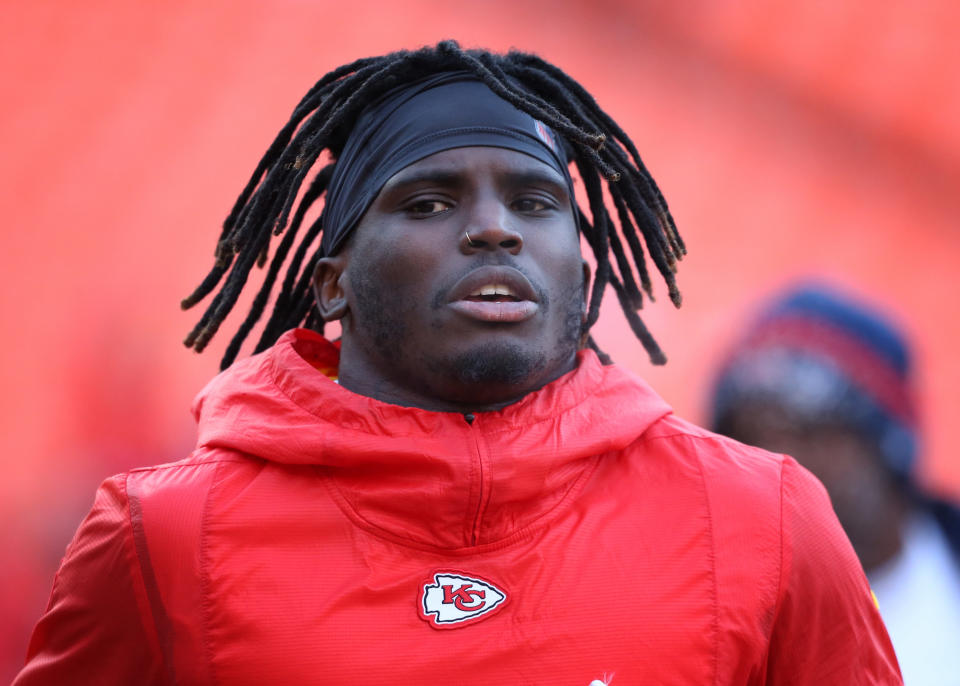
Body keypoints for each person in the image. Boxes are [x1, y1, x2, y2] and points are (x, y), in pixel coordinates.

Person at [15, 43, 901, 685]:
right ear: (333, 286)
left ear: (580, 277)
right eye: (430, 199)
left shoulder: (765, 523)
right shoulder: (162, 540)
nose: (494, 228)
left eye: (535, 200)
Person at [709, 284, 960, 686]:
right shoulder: (704, 618)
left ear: (889, 446)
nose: (779, 463)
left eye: (810, 432)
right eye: (751, 437)